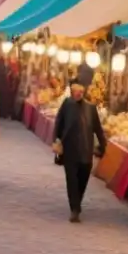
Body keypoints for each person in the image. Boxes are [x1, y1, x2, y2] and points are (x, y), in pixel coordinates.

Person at [52, 78, 107, 222]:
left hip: (86, 151)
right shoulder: (67, 105)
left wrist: (103, 146)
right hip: (70, 150)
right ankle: (74, 209)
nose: (79, 94)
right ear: (71, 91)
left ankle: (77, 204)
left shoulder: (90, 108)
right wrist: (56, 140)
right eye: (76, 91)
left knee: (82, 180)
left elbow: (98, 130)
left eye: (81, 91)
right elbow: (58, 123)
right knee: (72, 181)